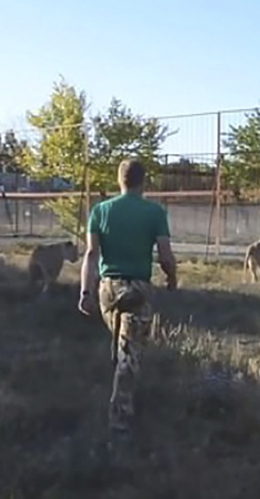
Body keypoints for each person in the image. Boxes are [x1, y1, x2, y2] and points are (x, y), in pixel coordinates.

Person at [78, 158, 178, 435]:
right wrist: (172, 277)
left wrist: (85, 292)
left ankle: (117, 390)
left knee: (119, 343)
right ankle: (119, 420)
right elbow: (165, 255)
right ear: (143, 182)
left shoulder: (100, 210)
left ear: (119, 180)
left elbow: (90, 255)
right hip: (137, 289)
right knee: (129, 353)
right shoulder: (154, 212)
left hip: (107, 289)